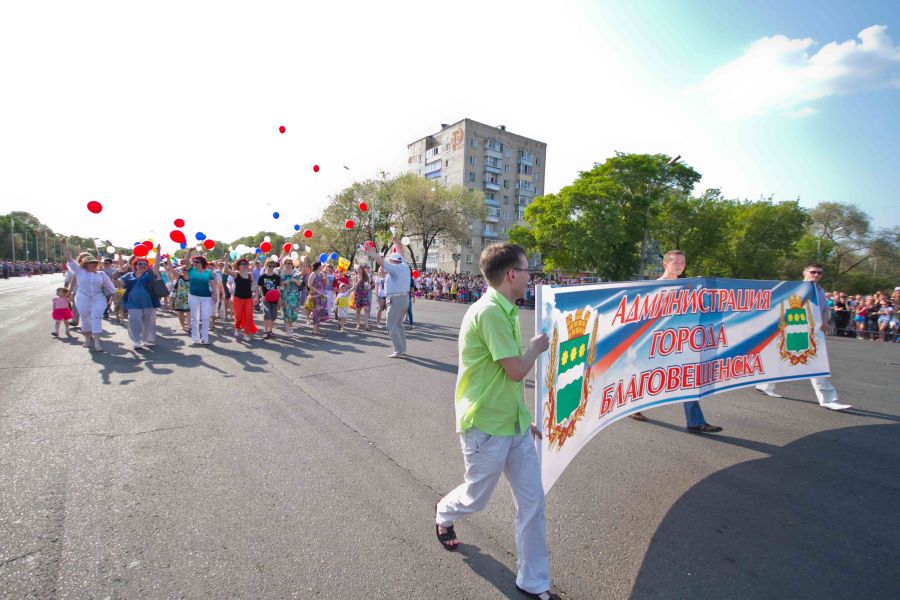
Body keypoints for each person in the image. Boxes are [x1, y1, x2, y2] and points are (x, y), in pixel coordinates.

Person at [435, 243, 558, 600]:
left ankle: (533, 581)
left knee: (533, 503)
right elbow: (517, 370)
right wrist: (536, 347)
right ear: (511, 274)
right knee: (476, 498)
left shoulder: (504, 308)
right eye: (527, 269)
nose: (530, 276)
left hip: (513, 425)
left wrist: (524, 418)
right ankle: (444, 512)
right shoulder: (489, 311)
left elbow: (504, 377)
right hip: (485, 426)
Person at [629, 250, 723, 433]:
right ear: (665, 264)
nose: (680, 265)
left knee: (687, 379)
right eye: (676, 262)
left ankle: (695, 422)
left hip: (680, 342)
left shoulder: (688, 286)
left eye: (683, 262)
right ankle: (633, 407)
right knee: (649, 376)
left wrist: (701, 286)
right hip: (658, 343)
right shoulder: (656, 287)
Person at [755, 262, 851, 410]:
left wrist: (824, 323)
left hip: (813, 332)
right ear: (804, 273)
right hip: (792, 330)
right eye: (813, 272)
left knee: (816, 364)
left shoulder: (820, 290)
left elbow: (825, 309)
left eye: (819, 273)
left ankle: (827, 399)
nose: (816, 275)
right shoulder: (792, 288)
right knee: (781, 358)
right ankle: (764, 384)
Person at [61, 238, 115, 351]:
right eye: (92, 263)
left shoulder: (101, 274)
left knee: (96, 317)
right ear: (85, 265)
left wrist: (115, 297)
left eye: (96, 263)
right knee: (85, 319)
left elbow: (110, 286)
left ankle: (97, 342)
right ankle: (87, 339)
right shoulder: (79, 271)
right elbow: (69, 259)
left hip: (98, 298)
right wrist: (64, 245)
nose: (95, 264)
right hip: (82, 298)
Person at [366, 236, 412, 358]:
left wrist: (373, 253)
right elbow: (401, 253)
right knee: (399, 325)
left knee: (391, 325)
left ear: (392, 261)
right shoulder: (404, 265)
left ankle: (398, 349)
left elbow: (381, 262)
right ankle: (402, 348)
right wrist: (396, 243)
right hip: (404, 298)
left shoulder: (395, 268)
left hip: (396, 299)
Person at [118, 247, 162, 349]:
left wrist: (158, 252)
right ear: (135, 266)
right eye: (140, 264)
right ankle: (136, 340)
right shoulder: (129, 275)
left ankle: (146, 339)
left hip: (149, 303)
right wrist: (115, 278)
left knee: (148, 322)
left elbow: (156, 266)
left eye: (145, 264)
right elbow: (119, 283)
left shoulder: (149, 275)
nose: (142, 266)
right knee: (134, 320)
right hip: (133, 303)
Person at [185, 252, 218, 345]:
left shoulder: (208, 273)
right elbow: (187, 260)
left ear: (202, 262)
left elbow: (213, 285)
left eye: (197, 261)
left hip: (206, 297)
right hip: (193, 296)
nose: (194, 262)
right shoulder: (191, 271)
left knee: (205, 317)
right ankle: (195, 338)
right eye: (194, 261)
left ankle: (205, 338)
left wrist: (215, 295)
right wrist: (189, 251)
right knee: (195, 318)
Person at [231, 258, 258, 341]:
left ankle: (246, 334)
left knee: (248, 316)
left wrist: (256, 295)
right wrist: (227, 259)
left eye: (246, 264)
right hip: (238, 298)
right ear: (238, 265)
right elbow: (225, 270)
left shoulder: (250, 275)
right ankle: (237, 327)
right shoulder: (236, 274)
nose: (244, 265)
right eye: (242, 264)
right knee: (238, 317)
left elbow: (254, 285)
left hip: (248, 299)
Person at [257, 259, 282, 339]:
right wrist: (262, 296)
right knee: (267, 314)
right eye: (270, 266)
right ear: (266, 266)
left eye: (273, 266)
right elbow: (260, 288)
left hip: (274, 298)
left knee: (273, 316)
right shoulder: (262, 277)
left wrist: (279, 300)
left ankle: (270, 330)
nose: (271, 267)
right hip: (266, 299)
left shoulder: (277, 277)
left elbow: (278, 289)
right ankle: (266, 331)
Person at [307, 261, 330, 337]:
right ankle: (314, 330)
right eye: (321, 266)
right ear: (318, 266)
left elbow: (327, 283)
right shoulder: (313, 274)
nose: (322, 267)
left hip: (321, 295)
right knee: (316, 312)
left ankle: (317, 329)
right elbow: (309, 285)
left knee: (320, 312)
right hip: (315, 295)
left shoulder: (320, 274)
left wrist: (325, 276)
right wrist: (317, 291)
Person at [350, 264, 371, 331]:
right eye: (358, 269)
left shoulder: (366, 277)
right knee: (358, 310)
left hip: (364, 294)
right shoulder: (355, 277)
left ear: (362, 270)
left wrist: (368, 286)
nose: (358, 270)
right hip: (358, 294)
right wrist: (348, 292)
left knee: (366, 309)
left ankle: (366, 325)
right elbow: (353, 287)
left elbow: (370, 285)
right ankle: (358, 324)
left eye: (360, 269)